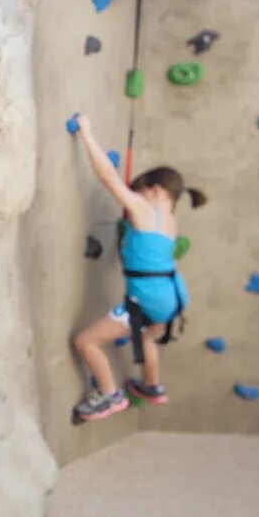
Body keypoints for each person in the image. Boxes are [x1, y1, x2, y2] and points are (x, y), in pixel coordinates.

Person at [70, 113, 206, 422]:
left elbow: (108, 177)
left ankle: (109, 395)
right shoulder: (170, 221)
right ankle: (152, 386)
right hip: (173, 297)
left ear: (156, 191)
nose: (133, 199)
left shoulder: (145, 209)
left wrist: (87, 134)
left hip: (147, 299)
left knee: (86, 341)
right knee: (145, 338)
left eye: (139, 192)